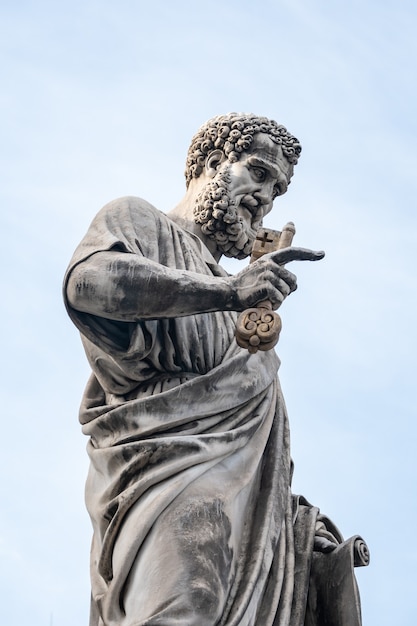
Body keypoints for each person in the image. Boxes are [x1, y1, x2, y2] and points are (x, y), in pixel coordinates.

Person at [64, 113, 367, 626]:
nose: (266, 197)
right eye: (258, 172)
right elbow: (88, 284)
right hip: (164, 475)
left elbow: (253, 459)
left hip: (245, 518)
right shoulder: (140, 222)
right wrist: (227, 291)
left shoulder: (248, 314)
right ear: (210, 163)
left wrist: (288, 525)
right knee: (185, 602)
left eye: (278, 189)